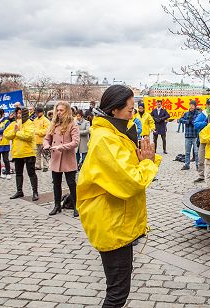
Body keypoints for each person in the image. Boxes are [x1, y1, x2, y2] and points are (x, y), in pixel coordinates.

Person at [77, 85, 161, 307]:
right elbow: (131, 181)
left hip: (118, 220)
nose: (133, 113)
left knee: (117, 289)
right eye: (130, 109)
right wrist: (148, 163)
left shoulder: (116, 132)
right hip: (111, 223)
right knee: (117, 293)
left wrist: (143, 158)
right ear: (114, 110)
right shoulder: (106, 138)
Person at [43, 102, 80, 217]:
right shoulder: (53, 123)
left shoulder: (72, 124)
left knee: (71, 183)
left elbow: (76, 142)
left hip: (68, 158)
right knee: (56, 183)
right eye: (57, 110)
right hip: (55, 158)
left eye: (61, 110)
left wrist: (61, 147)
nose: (59, 112)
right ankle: (57, 205)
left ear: (67, 111)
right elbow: (46, 138)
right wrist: (46, 145)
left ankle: (76, 206)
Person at [4, 107, 39, 201]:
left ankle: (35, 192)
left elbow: (28, 136)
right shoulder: (14, 123)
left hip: (28, 152)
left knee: (31, 173)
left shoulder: (30, 123)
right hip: (17, 153)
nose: (19, 115)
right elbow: (6, 135)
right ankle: (19, 191)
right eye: (17, 113)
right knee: (18, 173)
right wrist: (14, 131)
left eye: (20, 113)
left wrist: (17, 132)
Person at [193, 98, 210, 182]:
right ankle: (201, 175)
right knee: (201, 158)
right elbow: (195, 124)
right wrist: (205, 123)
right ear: (206, 105)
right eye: (208, 104)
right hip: (203, 139)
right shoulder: (203, 114)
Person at [178, 101, 200, 170]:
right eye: (190, 105)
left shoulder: (198, 114)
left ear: (195, 106)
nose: (191, 106)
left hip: (195, 135)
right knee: (187, 152)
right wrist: (187, 121)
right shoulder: (186, 113)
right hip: (188, 135)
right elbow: (180, 119)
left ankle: (198, 165)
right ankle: (187, 165)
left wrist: (192, 122)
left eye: (192, 105)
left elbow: (197, 122)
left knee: (196, 152)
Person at [34, 106, 50, 172]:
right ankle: (38, 165)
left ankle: (45, 166)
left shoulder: (46, 120)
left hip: (43, 140)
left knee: (44, 154)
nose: (37, 114)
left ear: (42, 112)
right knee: (37, 154)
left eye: (38, 112)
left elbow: (47, 130)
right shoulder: (35, 120)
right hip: (36, 140)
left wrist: (37, 132)